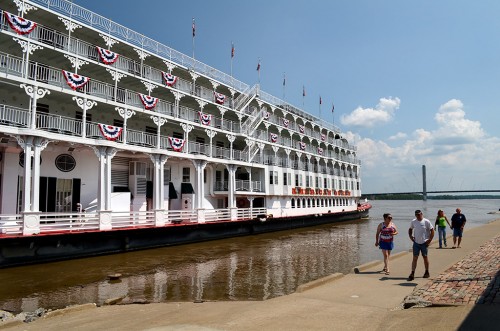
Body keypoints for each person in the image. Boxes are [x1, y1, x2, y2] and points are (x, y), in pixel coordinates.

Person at [407, 210, 435, 281]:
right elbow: (410, 229)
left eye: (419, 214)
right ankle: (412, 273)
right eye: (416, 215)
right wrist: (410, 236)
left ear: (421, 214)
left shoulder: (426, 221)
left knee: (425, 257)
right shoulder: (413, 221)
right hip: (416, 243)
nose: (418, 216)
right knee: (415, 258)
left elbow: (432, 230)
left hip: (424, 243)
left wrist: (430, 240)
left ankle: (426, 271)